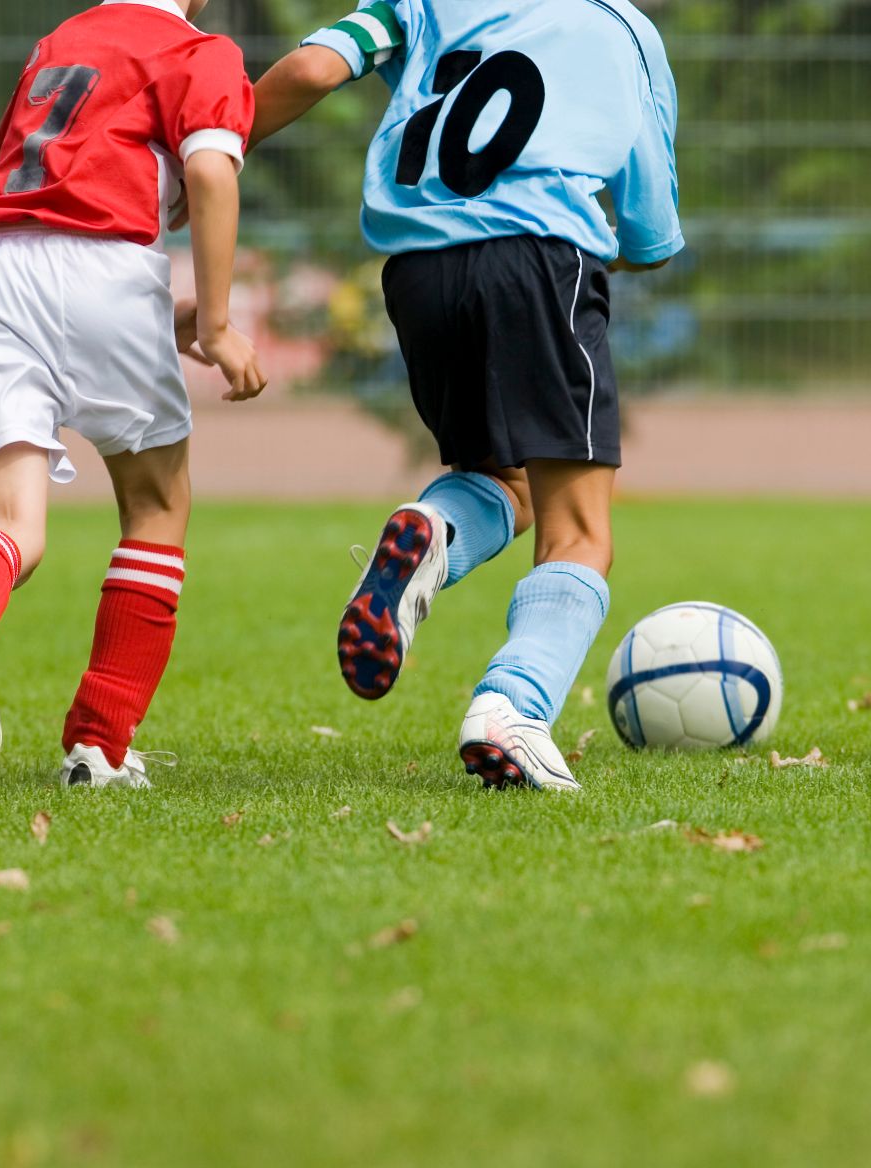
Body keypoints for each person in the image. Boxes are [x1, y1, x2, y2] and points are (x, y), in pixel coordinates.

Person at [251, 0, 682, 790]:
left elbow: (314, 68)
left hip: (416, 270)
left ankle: (433, 526)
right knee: (580, 530)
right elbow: (650, 236)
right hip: (539, 255)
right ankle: (511, 707)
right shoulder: (622, 26)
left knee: (501, 480)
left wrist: (214, 148)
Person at [0, 0, 264, 788]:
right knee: (157, 508)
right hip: (106, 265)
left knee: (8, 524)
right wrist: (222, 321)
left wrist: (164, 320)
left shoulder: (59, 42)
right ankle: (99, 747)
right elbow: (207, 172)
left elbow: (56, 213)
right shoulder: (203, 50)